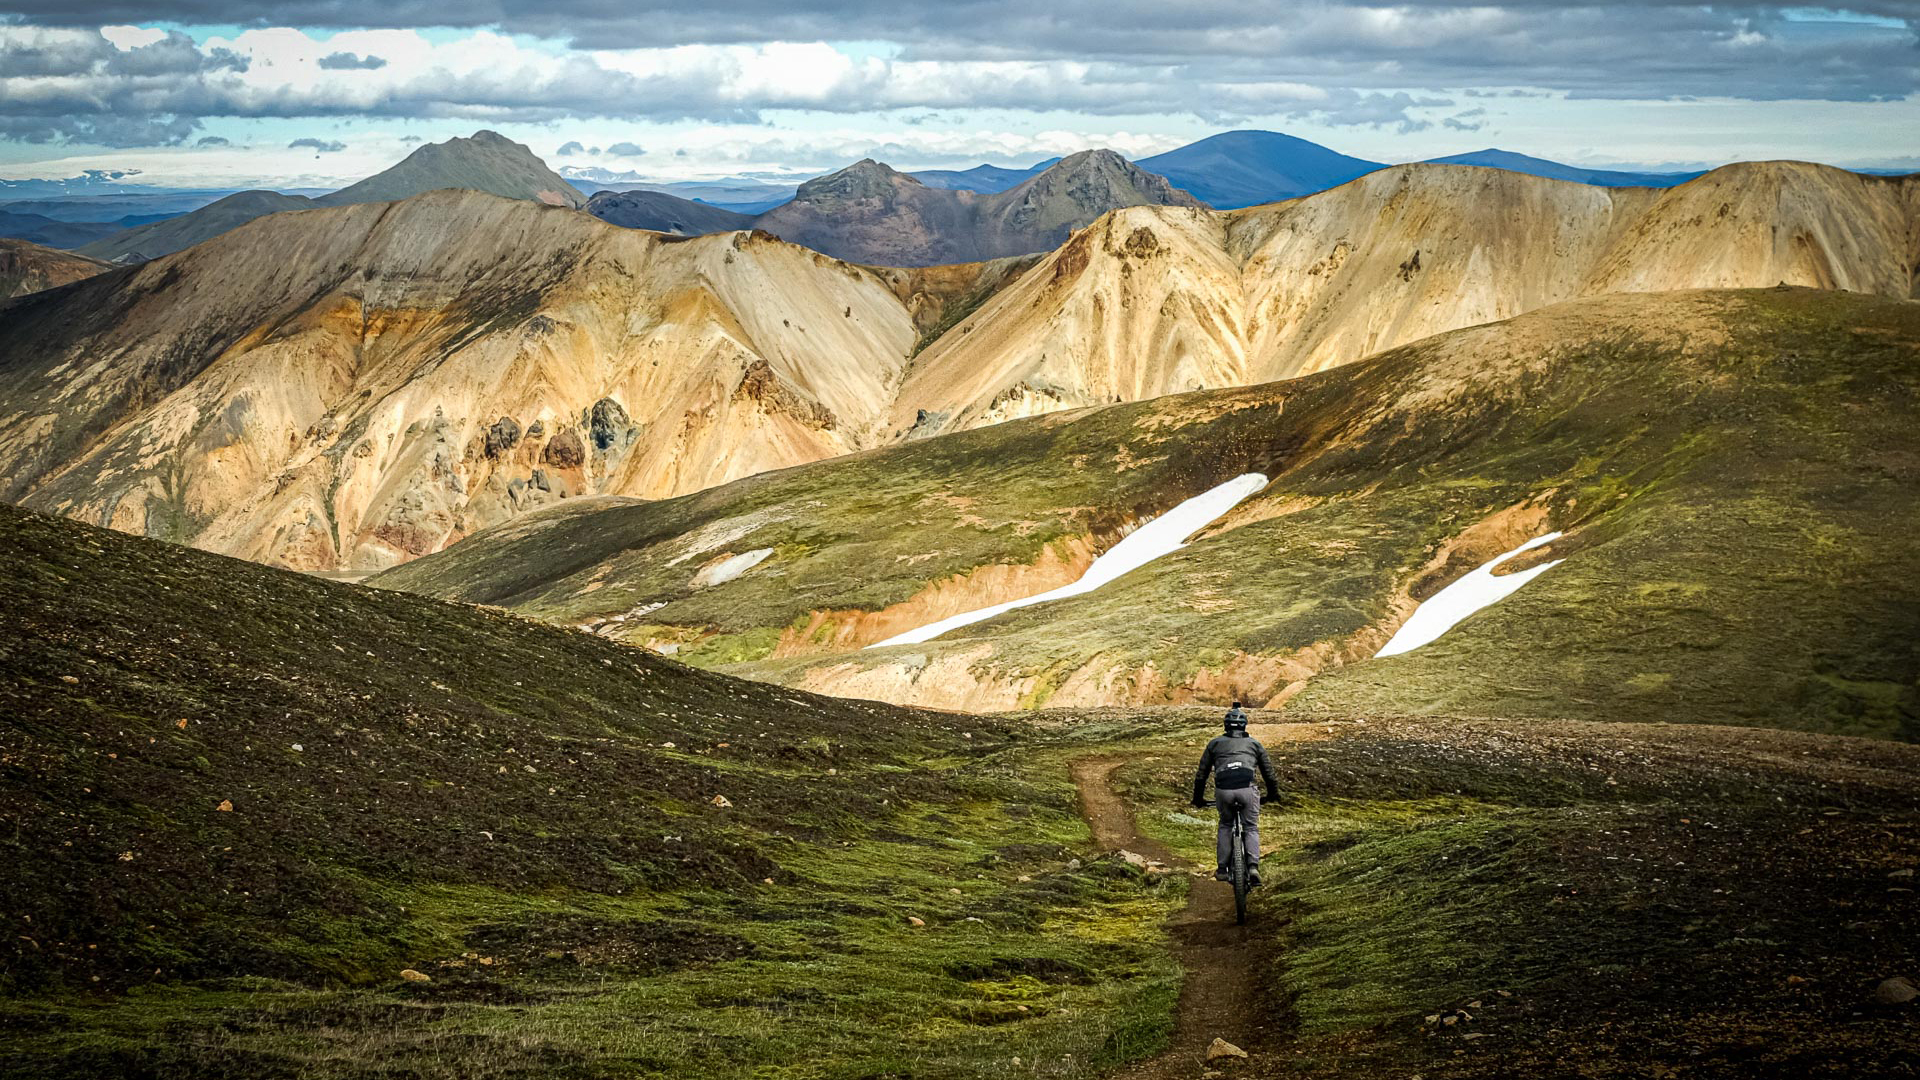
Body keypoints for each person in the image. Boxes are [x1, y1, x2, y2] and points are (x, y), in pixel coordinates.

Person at [1190, 701, 1280, 886]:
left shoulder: (1215, 744)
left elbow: (1201, 774)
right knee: (1250, 827)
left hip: (1224, 791)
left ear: (1225, 725)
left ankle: (1222, 869)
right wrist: (1273, 795)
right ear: (1244, 725)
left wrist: (1197, 799)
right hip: (1247, 790)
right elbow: (1269, 774)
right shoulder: (1254, 744)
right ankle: (1253, 866)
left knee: (1225, 824)